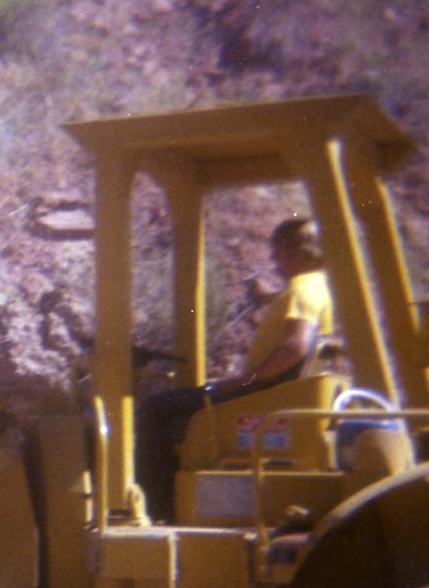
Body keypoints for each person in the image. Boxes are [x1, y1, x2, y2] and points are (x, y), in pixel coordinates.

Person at [135, 216, 335, 521]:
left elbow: (295, 347)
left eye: (278, 250)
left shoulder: (300, 290)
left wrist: (245, 381)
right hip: (279, 389)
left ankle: (159, 511)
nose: (273, 259)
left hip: (265, 391)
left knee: (155, 409)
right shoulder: (317, 286)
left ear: (297, 251)